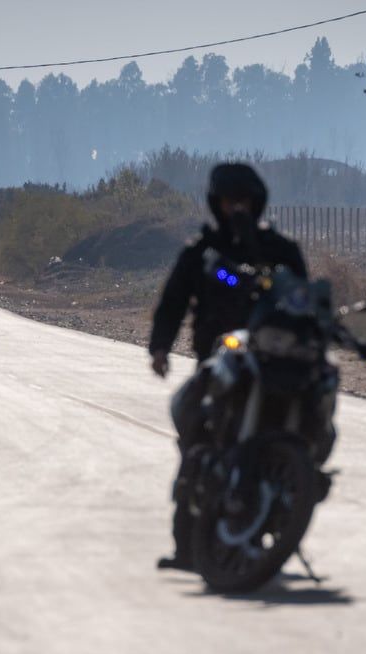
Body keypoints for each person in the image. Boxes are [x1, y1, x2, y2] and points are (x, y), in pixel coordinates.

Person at [148, 162, 307, 571]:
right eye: (229, 200)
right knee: (196, 439)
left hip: (272, 363)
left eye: (244, 200)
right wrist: (160, 347)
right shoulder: (203, 251)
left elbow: (304, 299)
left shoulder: (280, 250)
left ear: (257, 202)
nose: (237, 207)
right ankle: (187, 548)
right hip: (219, 363)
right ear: (216, 203)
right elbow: (173, 300)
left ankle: (287, 502)